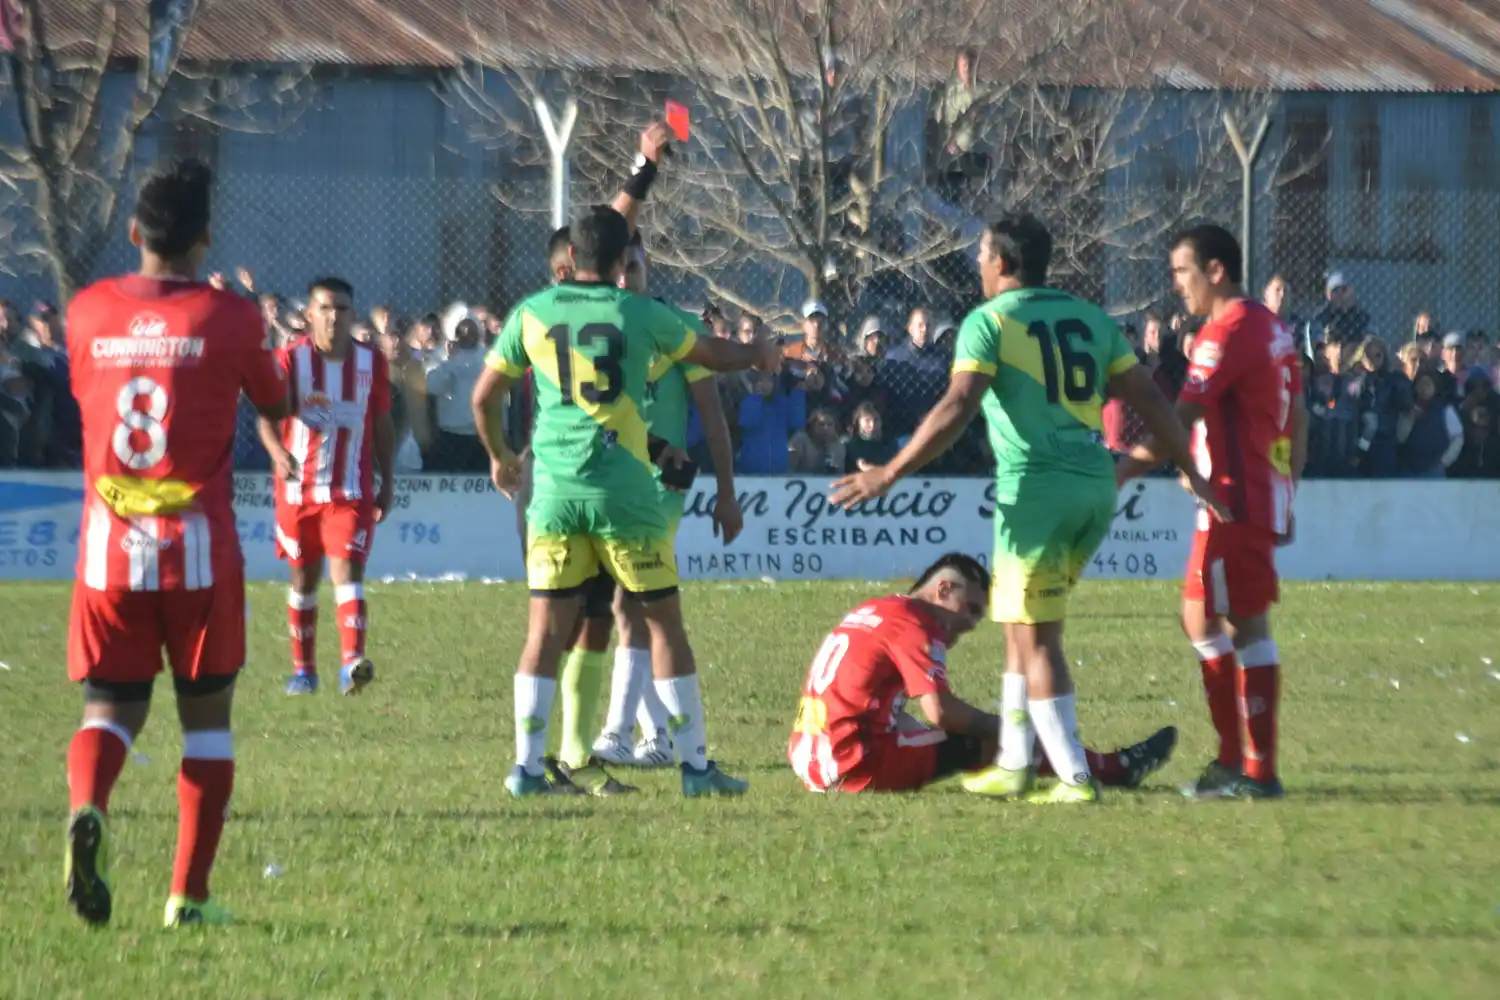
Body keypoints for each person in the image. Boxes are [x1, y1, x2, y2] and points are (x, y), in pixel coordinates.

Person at [830, 212, 1218, 804]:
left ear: (1004, 263)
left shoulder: (989, 322)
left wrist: (891, 470)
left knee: (1037, 639)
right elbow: (1148, 395)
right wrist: (1190, 467)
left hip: (1037, 492)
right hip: (1094, 486)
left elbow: (958, 404)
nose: (978, 264)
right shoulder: (1089, 317)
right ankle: (1014, 761)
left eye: (983, 254)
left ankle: (1073, 777)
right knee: (1021, 625)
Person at [471, 204, 782, 798]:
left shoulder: (532, 312)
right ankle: (695, 768)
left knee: (544, 634)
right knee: (664, 627)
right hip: (627, 499)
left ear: (570, 257)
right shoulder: (640, 313)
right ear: (620, 262)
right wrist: (758, 354)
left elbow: (483, 398)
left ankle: (526, 770)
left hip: (556, 498)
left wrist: (500, 454)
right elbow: (711, 355)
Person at [61, 158, 291, 927]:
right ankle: (188, 897)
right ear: (204, 239)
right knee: (208, 724)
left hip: (108, 548)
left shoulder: (86, 312)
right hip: (197, 548)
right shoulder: (230, 319)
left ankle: (88, 805)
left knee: (109, 709)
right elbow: (275, 401)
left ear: (134, 232)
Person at [1116, 224, 1306, 800]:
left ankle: (1257, 772)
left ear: (1215, 271)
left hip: (1234, 501)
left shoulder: (1225, 333)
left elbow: (1178, 420)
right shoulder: (1271, 327)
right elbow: (1297, 416)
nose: (1177, 284)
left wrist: (1118, 474)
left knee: (1246, 626)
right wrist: (1288, 488)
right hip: (1243, 497)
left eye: (1182, 271)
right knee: (1200, 620)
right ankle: (1232, 759)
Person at [788, 553, 1178, 793]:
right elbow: (941, 712)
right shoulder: (915, 624)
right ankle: (1115, 769)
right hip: (854, 763)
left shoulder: (877, 608)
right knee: (995, 740)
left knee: (931, 728)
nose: (973, 623)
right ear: (943, 589)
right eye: (971, 608)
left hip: (812, 755)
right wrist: (1005, 727)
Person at [584, 229, 744, 779]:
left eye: (633, 265)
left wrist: (727, 494)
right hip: (607, 484)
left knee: (631, 604)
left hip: (660, 487)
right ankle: (657, 734)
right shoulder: (596, 330)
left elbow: (713, 418)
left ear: (647, 267)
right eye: (618, 267)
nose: (625, 276)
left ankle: (619, 732)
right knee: (627, 607)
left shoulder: (676, 329)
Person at [257, 278, 395, 697]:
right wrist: (278, 452)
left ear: (353, 315)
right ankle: (304, 671)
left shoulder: (372, 361)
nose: (334, 316)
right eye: (325, 308)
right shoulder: (289, 358)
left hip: (349, 491)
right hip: (297, 493)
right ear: (309, 314)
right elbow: (266, 416)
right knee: (303, 579)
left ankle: (352, 664)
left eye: (342, 309)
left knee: (348, 570)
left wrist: (388, 479)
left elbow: (383, 423)